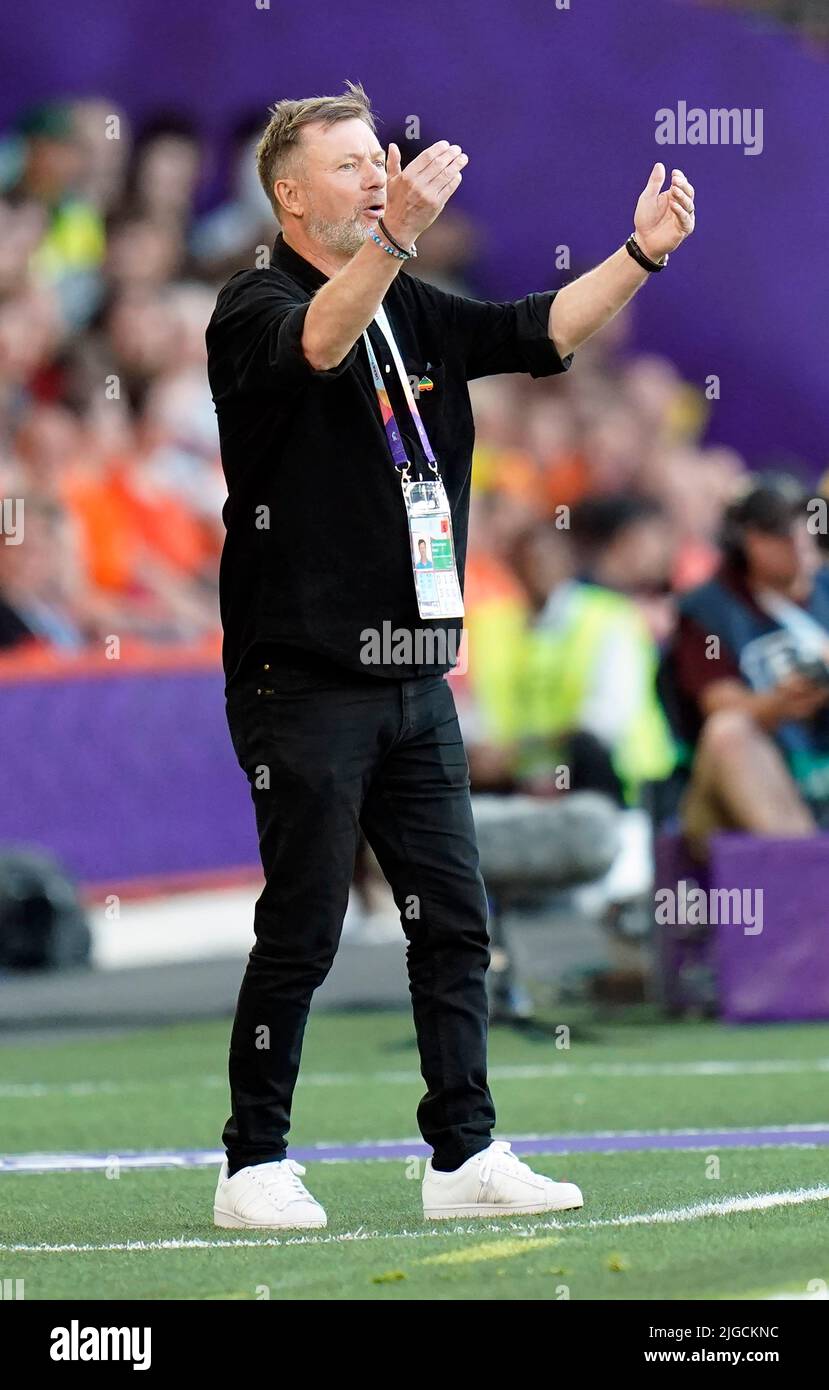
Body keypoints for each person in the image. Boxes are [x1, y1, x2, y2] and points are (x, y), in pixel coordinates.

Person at [205, 80, 696, 1230]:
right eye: (349, 165)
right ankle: (252, 1162)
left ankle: (462, 1152)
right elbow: (317, 347)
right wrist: (392, 238)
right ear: (289, 193)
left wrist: (641, 253)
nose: (378, 175)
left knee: (455, 919)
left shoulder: (409, 305)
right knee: (307, 923)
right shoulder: (253, 304)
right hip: (305, 678)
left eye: (380, 159)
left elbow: (544, 329)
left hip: (415, 674)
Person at [664, 476, 829, 856]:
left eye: (804, 524)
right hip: (741, 785)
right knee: (730, 733)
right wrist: (780, 702)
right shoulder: (708, 611)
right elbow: (720, 704)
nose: (798, 541)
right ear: (749, 540)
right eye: (780, 532)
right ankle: (808, 875)